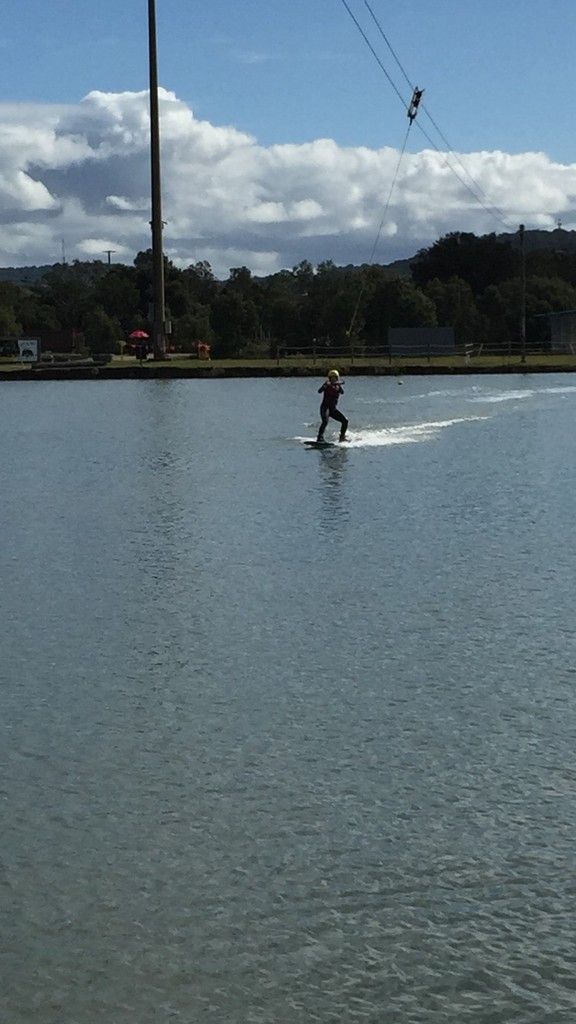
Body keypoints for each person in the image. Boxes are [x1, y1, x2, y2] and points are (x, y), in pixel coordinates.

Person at [317, 369, 349, 442]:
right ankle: (320, 437)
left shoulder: (338, 386)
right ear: (329, 378)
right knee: (325, 421)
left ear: (337, 378)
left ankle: (342, 437)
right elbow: (319, 391)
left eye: (335, 378)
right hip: (325, 408)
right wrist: (325, 385)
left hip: (333, 410)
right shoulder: (326, 384)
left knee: (345, 421)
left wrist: (338, 384)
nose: (333, 379)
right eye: (332, 378)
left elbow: (342, 392)